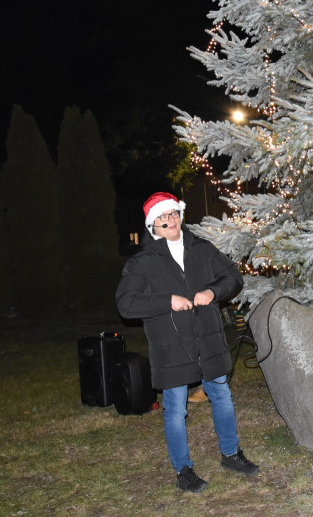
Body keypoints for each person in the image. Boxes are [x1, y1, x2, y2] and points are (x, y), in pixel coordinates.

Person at [115, 192, 259, 493]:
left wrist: (212, 292)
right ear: (152, 225)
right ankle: (183, 470)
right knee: (176, 409)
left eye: (173, 214)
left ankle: (231, 454)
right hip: (171, 347)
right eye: (162, 217)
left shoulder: (202, 249)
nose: (169, 220)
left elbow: (233, 277)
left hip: (209, 341)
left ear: (180, 216)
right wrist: (167, 301)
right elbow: (126, 304)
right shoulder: (142, 263)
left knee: (221, 395)